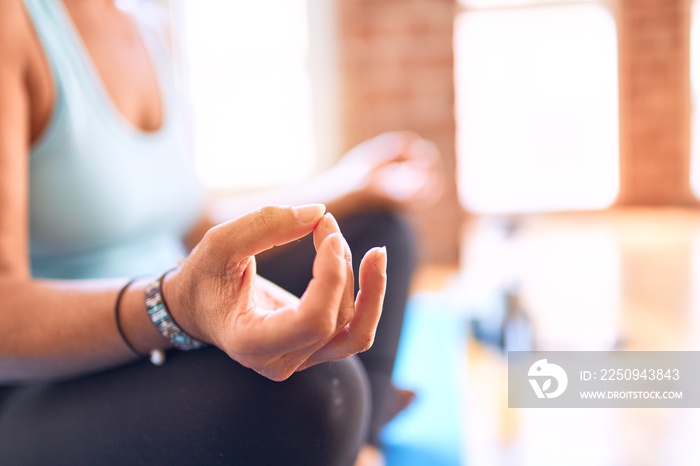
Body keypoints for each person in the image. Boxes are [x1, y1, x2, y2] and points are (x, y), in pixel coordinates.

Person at [0, 1, 443, 465]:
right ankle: (353, 424)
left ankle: (360, 442)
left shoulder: (148, 28)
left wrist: (349, 185)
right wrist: (172, 306)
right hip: (44, 377)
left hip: (168, 316)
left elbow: (191, 225)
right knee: (320, 391)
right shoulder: (16, 22)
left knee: (378, 228)